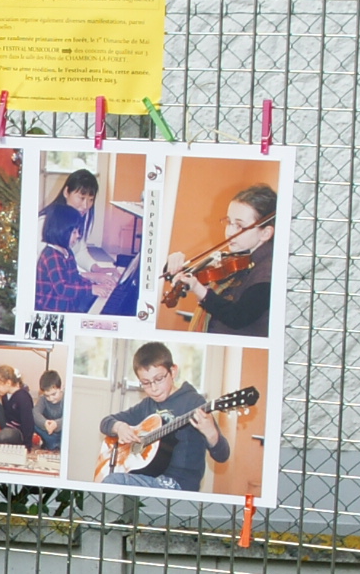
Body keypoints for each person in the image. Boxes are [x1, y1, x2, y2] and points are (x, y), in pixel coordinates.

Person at [96, 341, 231, 493]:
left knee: (113, 482)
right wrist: (119, 427)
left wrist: (211, 433)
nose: (153, 388)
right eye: (146, 383)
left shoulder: (193, 403)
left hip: (179, 484)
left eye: (159, 379)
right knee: (107, 480)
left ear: (173, 372)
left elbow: (223, 455)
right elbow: (106, 422)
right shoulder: (147, 405)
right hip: (148, 476)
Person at [165, 185, 276, 338]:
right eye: (229, 222)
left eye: (240, 226)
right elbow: (197, 275)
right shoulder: (240, 257)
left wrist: (199, 289)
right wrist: (174, 265)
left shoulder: (268, 272)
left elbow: (238, 317)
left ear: (265, 233)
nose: (230, 232)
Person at [33, 167, 133, 317]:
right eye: (81, 197)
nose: (86, 205)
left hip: (66, 299)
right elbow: (58, 278)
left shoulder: (73, 221)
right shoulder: (45, 224)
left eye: (91, 199)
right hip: (50, 304)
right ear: (66, 192)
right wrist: (92, 280)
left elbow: (79, 251)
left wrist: (96, 269)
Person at [0, 362, 40, 449]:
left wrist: (27, 444)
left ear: (8, 383)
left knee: (7, 434)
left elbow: (28, 423)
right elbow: (5, 413)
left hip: (17, 433)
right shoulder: (5, 394)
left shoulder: (23, 397)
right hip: (7, 425)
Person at [36, 369, 67, 456]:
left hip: (61, 432)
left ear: (61, 388)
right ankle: (53, 443)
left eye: (54, 394)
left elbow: (69, 417)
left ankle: (54, 444)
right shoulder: (43, 399)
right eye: (47, 396)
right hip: (48, 431)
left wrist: (56, 424)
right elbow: (36, 413)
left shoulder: (66, 398)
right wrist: (45, 423)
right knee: (31, 419)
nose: (51, 398)